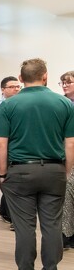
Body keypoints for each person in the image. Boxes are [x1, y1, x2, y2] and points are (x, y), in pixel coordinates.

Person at [0, 59, 74, 270]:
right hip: (54, 170)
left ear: (20, 78)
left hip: (20, 171)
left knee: (25, 227)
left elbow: (0, 144)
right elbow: (70, 143)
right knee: (52, 225)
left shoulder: (9, 105)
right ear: (45, 76)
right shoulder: (64, 103)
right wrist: (65, 171)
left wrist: (2, 173)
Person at [0, 76, 22, 227]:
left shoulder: (23, 104)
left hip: (17, 150)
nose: (16, 89)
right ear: (3, 89)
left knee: (14, 185)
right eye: (12, 87)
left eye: (18, 86)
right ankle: (6, 209)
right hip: (1, 149)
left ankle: (13, 216)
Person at [61, 71, 74, 249]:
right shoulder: (62, 104)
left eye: (68, 82)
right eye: (62, 83)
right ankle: (66, 236)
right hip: (65, 154)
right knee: (65, 198)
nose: (64, 85)